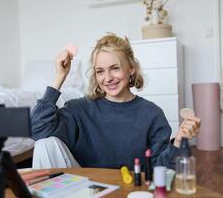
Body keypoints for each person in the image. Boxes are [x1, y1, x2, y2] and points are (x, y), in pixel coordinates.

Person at [30, 33, 201, 170]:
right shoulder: (79, 108)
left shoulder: (151, 114)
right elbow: (36, 129)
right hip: (85, 188)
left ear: (131, 69)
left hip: (131, 189)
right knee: (44, 143)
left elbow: (161, 169)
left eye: (115, 68)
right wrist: (60, 77)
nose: (108, 78)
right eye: (100, 71)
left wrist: (178, 141)